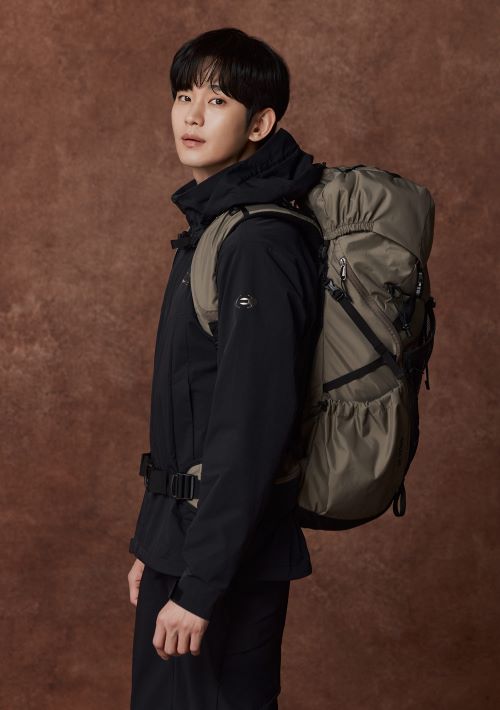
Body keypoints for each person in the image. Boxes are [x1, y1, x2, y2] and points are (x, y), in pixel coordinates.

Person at [127, 26, 324, 710]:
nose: (192, 115)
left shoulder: (259, 244)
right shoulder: (213, 229)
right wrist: (155, 544)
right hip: (184, 550)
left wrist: (200, 586)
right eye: (184, 96)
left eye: (217, 101)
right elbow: (193, 410)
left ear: (259, 124)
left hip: (223, 569)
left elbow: (251, 428)